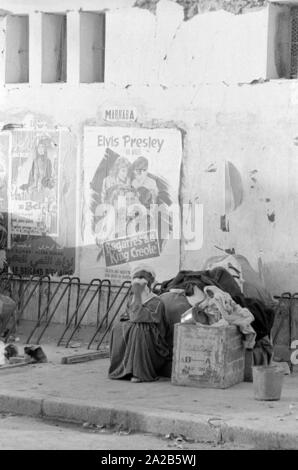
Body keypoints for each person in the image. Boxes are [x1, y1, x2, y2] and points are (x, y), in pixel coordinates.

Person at [108, 265, 170, 382]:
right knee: (117, 327)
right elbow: (127, 316)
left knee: (140, 329)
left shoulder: (156, 301)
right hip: (136, 329)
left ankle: (138, 372)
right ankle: (125, 369)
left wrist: (138, 297)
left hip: (154, 340)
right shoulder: (131, 298)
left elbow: (138, 317)